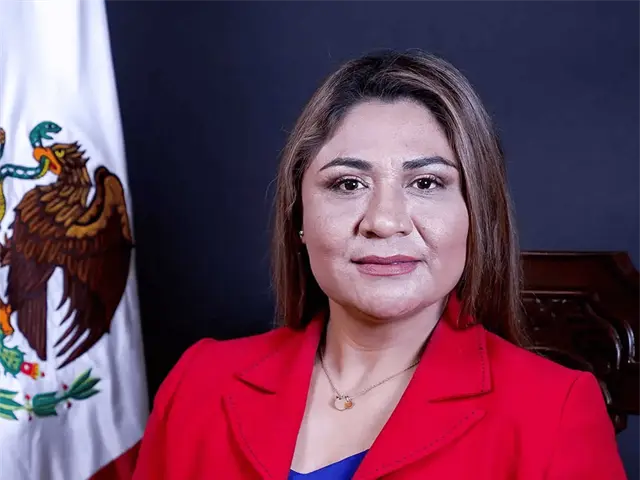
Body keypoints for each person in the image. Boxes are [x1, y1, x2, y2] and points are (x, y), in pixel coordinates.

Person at [132, 50, 627, 479]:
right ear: (299, 217)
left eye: (426, 183)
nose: (384, 222)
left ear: (476, 215)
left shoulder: (555, 409)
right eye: (348, 184)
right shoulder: (200, 381)